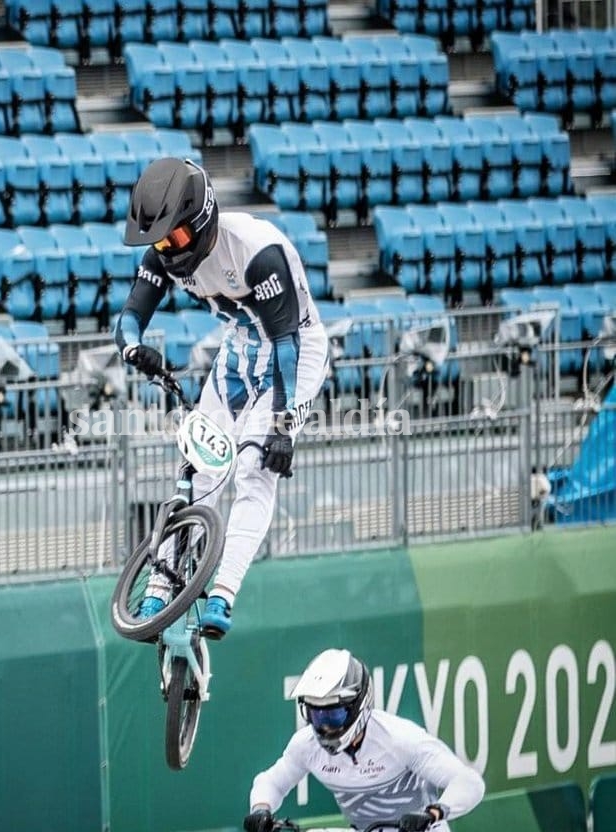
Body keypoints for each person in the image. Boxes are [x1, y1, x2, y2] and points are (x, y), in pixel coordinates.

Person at [115, 157, 329, 639]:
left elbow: (287, 345)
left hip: (293, 353)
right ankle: (161, 581)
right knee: (200, 468)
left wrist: (282, 429)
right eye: (160, 242)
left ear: (203, 218)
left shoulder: (256, 252)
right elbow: (130, 315)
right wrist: (133, 347)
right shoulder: (165, 251)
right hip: (238, 351)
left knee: (255, 469)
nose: (167, 251)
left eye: (175, 238)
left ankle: (223, 592)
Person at [244, 649, 485, 832]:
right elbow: (271, 782)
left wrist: (433, 813)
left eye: (333, 715)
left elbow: (469, 782)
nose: (324, 726)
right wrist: (261, 809)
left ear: (358, 706)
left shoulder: (400, 739)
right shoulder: (305, 745)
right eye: (316, 714)